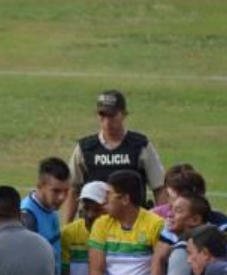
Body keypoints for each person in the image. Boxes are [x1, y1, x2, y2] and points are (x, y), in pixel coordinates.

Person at [62, 90, 166, 222]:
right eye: (102, 115)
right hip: (94, 225)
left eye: (112, 115)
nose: (107, 121)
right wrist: (66, 227)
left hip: (132, 226)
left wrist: (161, 227)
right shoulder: (85, 148)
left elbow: (159, 187)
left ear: (124, 114)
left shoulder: (140, 146)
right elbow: (73, 189)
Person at [21, 156, 72, 275]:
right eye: (56, 191)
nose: (62, 197)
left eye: (66, 191)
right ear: (40, 186)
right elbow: (31, 267)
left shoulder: (51, 208)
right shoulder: (27, 217)